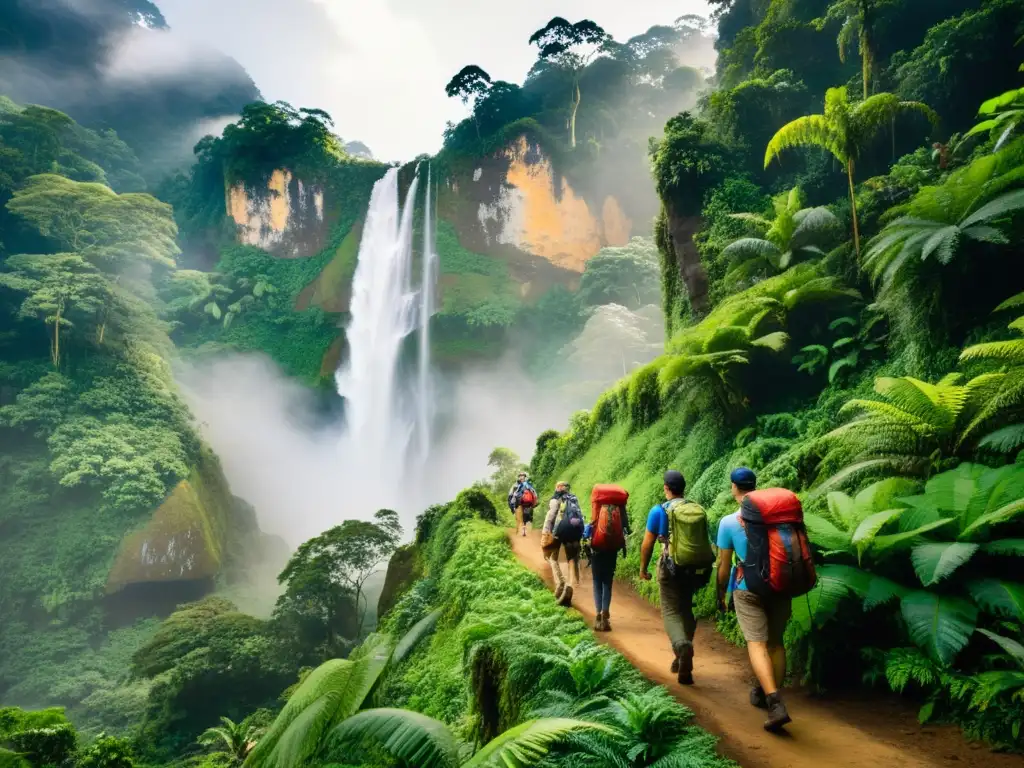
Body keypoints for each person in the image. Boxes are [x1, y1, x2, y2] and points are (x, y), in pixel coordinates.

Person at [716, 467, 792, 732]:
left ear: (734, 488)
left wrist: (721, 593)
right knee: (776, 643)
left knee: (757, 643)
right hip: (781, 585)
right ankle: (766, 693)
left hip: (747, 588)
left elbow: (724, 566)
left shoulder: (728, 522)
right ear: (755, 485)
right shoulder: (777, 515)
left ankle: (775, 702)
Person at [640, 470, 715, 685]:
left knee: (671, 611)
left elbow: (647, 544)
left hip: (670, 568)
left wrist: (643, 568)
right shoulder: (696, 509)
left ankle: (682, 646)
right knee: (686, 609)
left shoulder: (659, 511)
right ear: (684, 488)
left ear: (666, 488)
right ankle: (682, 660)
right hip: (695, 568)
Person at [587, 487, 630, 632]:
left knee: (596, 582)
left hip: (597, 549)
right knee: (607, 583)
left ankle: (598, 614)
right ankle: (606, 614)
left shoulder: (598, 505)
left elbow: (592, 523)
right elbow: (625, 527)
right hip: (612, 550)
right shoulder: (619, 506)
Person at [542, 481, 582, 606]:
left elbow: (551, 516)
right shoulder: (573, 499)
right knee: (572, 559)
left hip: (560, 531)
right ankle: (570, 585)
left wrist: (545, 533)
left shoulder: (555, 500)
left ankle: (560, 584)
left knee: (552, 557)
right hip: (575, 530)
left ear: (558, 488)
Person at [508, 472, 536, 537]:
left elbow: (510, 495)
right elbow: (534, 494)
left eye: (522, 476)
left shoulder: (521, 485)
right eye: (520, 476)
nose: (521, 477)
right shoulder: (527, 484)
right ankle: (522, 531)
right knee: (523, 517)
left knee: (523, 517)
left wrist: (511, 506)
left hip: (523, 504)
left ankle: (522, 531)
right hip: (523, 504)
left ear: (524, 477)